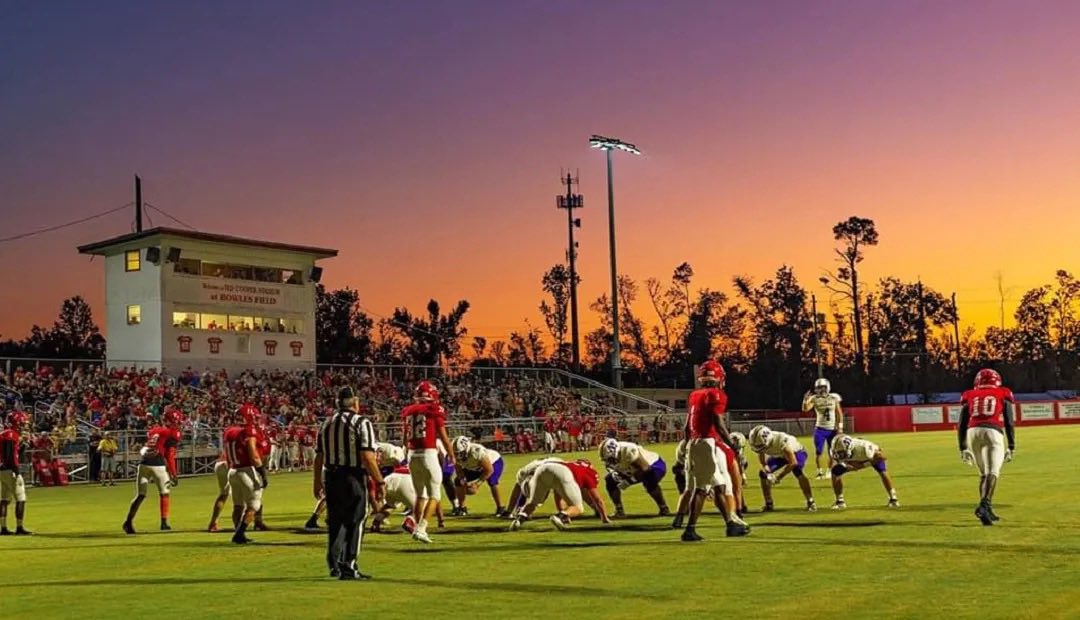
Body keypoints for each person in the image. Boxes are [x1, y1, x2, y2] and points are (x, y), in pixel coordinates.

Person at [313, 386, 383, 580]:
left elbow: (319, 457)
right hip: (352, 476)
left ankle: (334, 564)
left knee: (336, 521)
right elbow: (367, 457)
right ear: (354, 402)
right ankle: (349, 565)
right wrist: (379, 481)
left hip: (331, 476)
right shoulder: (361, 422)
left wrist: (317, 482)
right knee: (356, 520)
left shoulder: (326, 423)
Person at [678, 360, 749, 541]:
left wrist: (688, 446)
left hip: (695, 442)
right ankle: (690, 529)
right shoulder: (716, 394)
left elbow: (687, 426)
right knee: (702, 489)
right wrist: (731, 445)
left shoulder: (695, 394)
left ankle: (730, 525)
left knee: (719, 486)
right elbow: (718, 423)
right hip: (705, 443)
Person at [959, 368, 1016, 526]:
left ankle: (987, 510)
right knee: (993, 472)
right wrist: (1011, 445)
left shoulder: (969, 394)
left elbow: (961, 423)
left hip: (972, 432)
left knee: (983, 474)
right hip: (993, 431)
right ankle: (984, 506)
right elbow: (1009, 422)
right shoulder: (1002, 393)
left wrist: (962, 447)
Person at [401, 381, 455, 543]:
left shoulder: (408, 411)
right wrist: (451, 454)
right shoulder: (433, 410)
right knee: (435, 495)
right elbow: (443, 436)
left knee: (420, 495)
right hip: (428, 453)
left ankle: (417, 527)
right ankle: (421, 528)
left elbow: (404, 439)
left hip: (412, 454)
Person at [123, 409, 183, 534]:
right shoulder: (171, 433)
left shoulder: (153, 430)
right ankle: (164, 523)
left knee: (140, 495)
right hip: (158, 465)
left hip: (143, 463)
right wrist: (173, 473)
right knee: (164, 493)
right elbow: (169, 455)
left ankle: (128, 521)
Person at [509, 459, 611, 531]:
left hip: (542, 469)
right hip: (562, 472)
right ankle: (560, 516)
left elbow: (558, 494)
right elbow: (597, 499)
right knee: (578, 507)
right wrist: (604, 518)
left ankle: (519, 520)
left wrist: (563, 510)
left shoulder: (571, 464)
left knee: (533, 503)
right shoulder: (589, 471)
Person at [223, 405, 269, 544]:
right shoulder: (248, 431)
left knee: (238, 505)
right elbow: (253, 454)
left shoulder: (229, 430)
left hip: (232, 471)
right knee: (254, 505)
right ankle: (239, 533)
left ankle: (238, 532)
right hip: (246, 470)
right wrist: (262, 472)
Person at [748, 424, 816, 512]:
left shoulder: (781, 440)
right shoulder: (762, 442)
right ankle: (768, 503)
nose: (759, 449)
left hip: (796, 452)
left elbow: (793, 462)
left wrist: (778, 477)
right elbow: (761, 453)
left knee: (798, 471)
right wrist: (765, 467)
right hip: (780, 455)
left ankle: (811, 501)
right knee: (763, 474)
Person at [598, 437, 669, 517]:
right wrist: (616, 473)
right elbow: (610, 466)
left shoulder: (628, 450)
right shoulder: (610, 454)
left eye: (611, 459)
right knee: (610, 480)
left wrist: (629, 481)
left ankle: (663, 508)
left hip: (654, 465)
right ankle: (619, 510)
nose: (609, 461)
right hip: (632, 468)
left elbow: (645, 469)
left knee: (649, 479)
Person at [828, 433, 899, 509]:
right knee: (835, 472)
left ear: (849, 448)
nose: (839, 455)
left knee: (882, 471)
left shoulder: (864, 448)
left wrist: (861, 466)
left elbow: (882, 457)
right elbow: (838, 459)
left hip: (871, 458)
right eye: (837, 453)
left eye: (841, 453)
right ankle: (840, 501)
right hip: (852, 460)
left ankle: (893, 498)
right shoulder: (836, 450)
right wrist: (849, 465)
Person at [452, 435, 507, 517]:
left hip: (493, 462)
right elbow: (459, 471)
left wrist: (477, 485)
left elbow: (489, 470)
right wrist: (464, 483)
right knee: (458, 481)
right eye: (456, 453)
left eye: (460, 453)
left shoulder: (477, 451)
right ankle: (462, 508)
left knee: (492, 481)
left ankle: (500, 507)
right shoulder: (454, 455)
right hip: (475, 467)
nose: (458, 455)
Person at [802, 377, 844, 479]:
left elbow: (839, 414)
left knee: (832, 452)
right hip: (820, 429)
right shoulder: (814, 398)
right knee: (819, 451)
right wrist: (805, 400)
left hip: (832, 429)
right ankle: (820, 472)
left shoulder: (833, 398)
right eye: (819, 388)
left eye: (822, 387)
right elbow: (805, 409)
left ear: (827, 387)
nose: (821, 390)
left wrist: (840, 427)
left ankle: (829, 471)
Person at [0, 411, 32, 535]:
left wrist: (23, 445)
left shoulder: (5, 433)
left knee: (4, 499)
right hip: (9, 469)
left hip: (2, 470)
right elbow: (9, 455)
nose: (24, 425)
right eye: (22, 423)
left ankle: (3, 528)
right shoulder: (11, 434)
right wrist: (16, 470)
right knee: (21, 498)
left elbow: (14, 453)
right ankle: (19, 527)